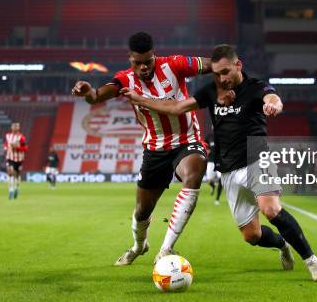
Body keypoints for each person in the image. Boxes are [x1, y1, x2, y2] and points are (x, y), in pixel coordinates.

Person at [122, 44, 317, 281]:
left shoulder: (255, 87)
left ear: (238, 65)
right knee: (251, 236)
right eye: (217, 74)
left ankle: (313, 263)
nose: (222, 78)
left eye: (226, 72)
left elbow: (272, 97)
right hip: (228, 169)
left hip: (256, 157)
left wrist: (274, 105)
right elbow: (177, 107)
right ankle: (282, 245)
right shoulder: (212, 91)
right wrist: (142, 101)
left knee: (270, 208)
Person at [71, 31, 212, 265]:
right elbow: (97, 96)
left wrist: (225, 64)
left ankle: (166, 249)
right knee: (141, 212)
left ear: (154, 55)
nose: (144, 67)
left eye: (148, 61)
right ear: (130, 59)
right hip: (154, 149)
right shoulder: (125, 80)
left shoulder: (174, 65)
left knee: (195, 172)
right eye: (138, 63)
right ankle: (139, 246)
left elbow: (210, 64)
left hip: (187, 140)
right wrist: (87, 92)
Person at [4, 122, 27, 200]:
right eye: (13, 126)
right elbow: (6, 144)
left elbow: (25, 148)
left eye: (16, 127)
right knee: (10, 171)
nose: (14, 128)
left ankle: (17, 188)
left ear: (18, 128)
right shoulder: (8, 136)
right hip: (9, 157)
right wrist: (5, 147)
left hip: (19, 158)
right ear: (11, 128)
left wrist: (17, 148)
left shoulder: (21, 137)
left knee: (17, 175)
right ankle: (10, 190)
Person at [205, 132, 223, 205]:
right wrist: (206, 149)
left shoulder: (222, 136)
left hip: (220, 161)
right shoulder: (209, 136)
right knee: (209, 180)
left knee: (221, 179)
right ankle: (213, 186)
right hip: (211, 162)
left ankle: (217, 199)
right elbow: (204, 144)